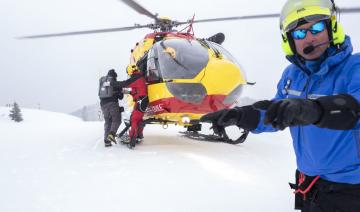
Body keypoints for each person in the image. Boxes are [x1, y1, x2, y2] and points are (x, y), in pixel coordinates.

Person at [201, 0, 360, 211]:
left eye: (317, 28)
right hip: (310, 185)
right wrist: (240, 116)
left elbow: (355, 108)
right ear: (290, 41)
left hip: (349, 190)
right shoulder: (292, 75)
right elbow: (277, 112)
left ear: (332, 28)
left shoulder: (353, 68)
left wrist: (315, 110)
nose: (310, 37)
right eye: (299, 33)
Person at [112, 65, 148, 148]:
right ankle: (139, 135)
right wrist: (120, 91)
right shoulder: (139, 78)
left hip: (141, 100)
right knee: (138, 119)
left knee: (134, 119)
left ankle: (132, 139)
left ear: (130, 71)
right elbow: (132, 90)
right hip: (143, 100)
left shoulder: (135, 77)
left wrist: (112, 84)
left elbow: (124, 83)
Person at [98, 69, 124, 147]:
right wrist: (120, 90)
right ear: (115, 77)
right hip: (112, 103)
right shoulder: (114, 83)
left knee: (108, 122)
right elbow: (121, 97)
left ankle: (106, 141)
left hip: (103, 104)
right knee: (117, 120)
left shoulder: (103, 83)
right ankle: (111, 135)